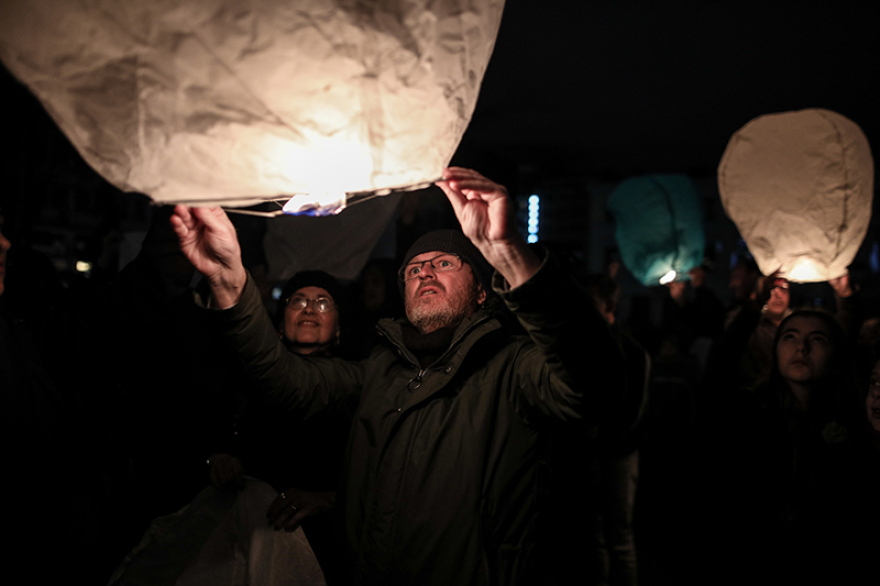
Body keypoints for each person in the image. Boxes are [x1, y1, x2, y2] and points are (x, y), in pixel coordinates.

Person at [170, 167, 623, 585]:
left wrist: (510, 255)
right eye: (413, 268)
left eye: (445, 262)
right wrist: (231, 284)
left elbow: (597, 381)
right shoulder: (379, 371)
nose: (425, 270)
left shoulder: (514, 370)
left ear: (483, 291)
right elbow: (287, 385)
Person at [697, 309, 862, 584]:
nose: (801, 347)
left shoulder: (845, 422)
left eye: (817, 339)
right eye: (789, 337)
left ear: (835, 355)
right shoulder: (745, 413)